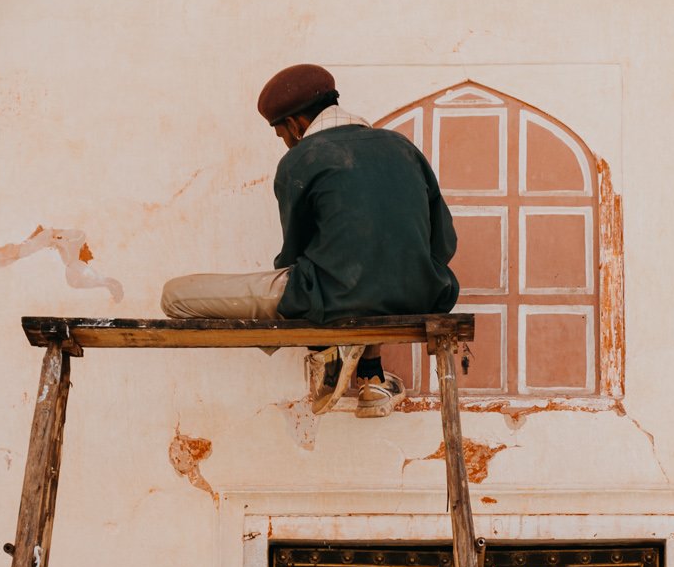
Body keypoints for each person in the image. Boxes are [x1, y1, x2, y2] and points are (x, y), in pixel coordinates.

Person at [162, 63, 459, 418]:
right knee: (369, 279)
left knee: (174, 296)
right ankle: (372, 376)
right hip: (423, 293)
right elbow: (442, 241)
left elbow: (295, 251)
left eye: (283, 135)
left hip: (333, 297)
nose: (287, 143)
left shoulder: (301, 159)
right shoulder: (403, 148)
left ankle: (329, 348)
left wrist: (313, 314)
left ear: (295, 124)